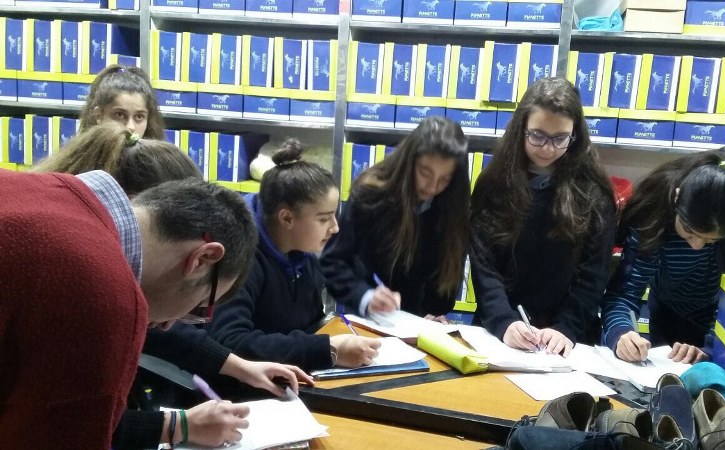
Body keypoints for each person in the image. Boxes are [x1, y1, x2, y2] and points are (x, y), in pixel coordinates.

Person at [33, 122, 314, 449]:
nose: (169, 324)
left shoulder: (61, 207)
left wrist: (237, 366)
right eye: (199, 307)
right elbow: (64, 424)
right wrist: (176, 425)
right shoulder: (86, 279)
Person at [0, 159, 259, 448]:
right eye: (200, 307)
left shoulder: (52, 188)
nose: (169, 325)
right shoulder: (103, 293)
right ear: (202, 259)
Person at [469, 77, 616, 357]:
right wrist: (504, 321)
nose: (548, 148)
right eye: (537, 135)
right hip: (501, 332)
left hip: (567, 340)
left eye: (560, 138)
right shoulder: (493, 185)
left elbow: (594, 275)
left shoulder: (593, 193)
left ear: (575, 135)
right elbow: (483, 266)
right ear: (521, 128)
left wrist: (566, 328)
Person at [209, 139, 382, 371]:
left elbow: (308, 324)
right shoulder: (241, 259)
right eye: (324, 219)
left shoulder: (302, 250)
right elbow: (230, 342)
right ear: (287, 218)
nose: (335, 227)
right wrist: (326, 349)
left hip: (293, 373)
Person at [602, 146, 725, 364]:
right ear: (676, 198)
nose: (696, 246)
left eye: (711, 241)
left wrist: (711, 349)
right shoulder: (653, 202)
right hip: (670, 307)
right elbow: (625, 292)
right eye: (688, 232)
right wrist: (621, 333)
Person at [320, 116, 471, 321]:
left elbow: (445, 286)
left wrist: (435, 315)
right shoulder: (370, 195)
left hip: (419, 325)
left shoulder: (452, 208)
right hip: (370, 320)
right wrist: (366, 297)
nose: (432, 187)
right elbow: (333, 262)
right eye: (425, 173)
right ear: (409, 162)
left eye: (444, 179)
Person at [79, 64, 165, 139]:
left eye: (139, 117)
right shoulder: (78, 153)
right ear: (99, 116)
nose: (131, 127)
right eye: (120, 115)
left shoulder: (160, 153)